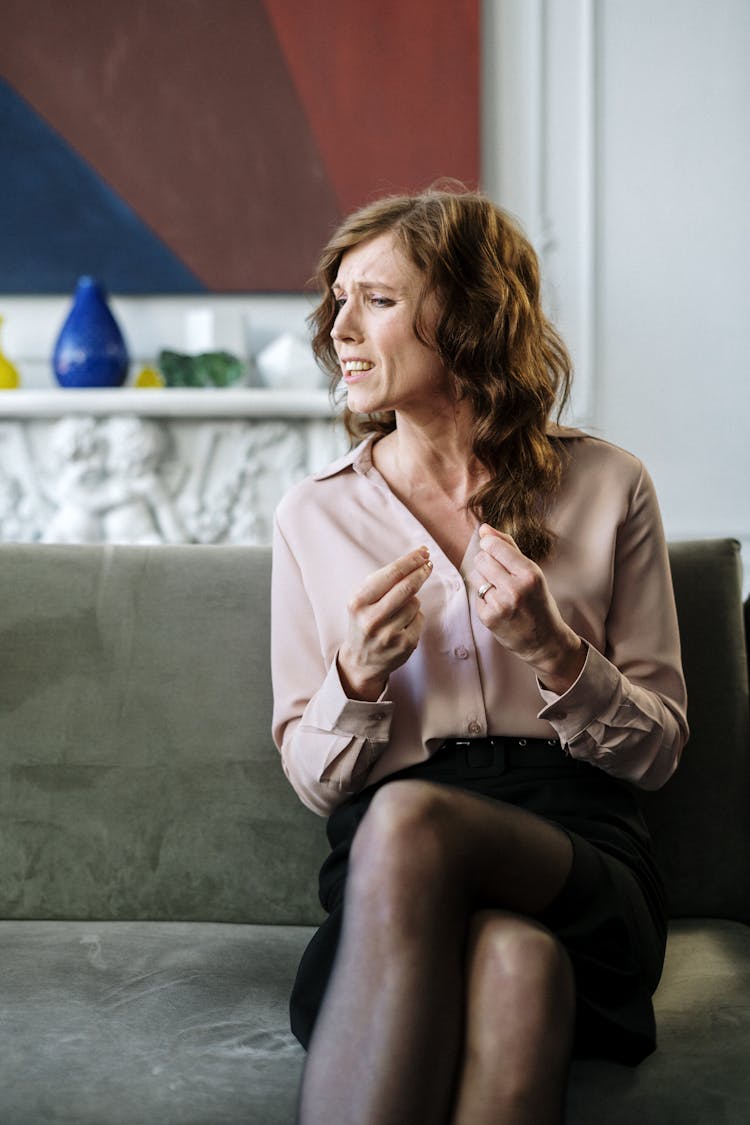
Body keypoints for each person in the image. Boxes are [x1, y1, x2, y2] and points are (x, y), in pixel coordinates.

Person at [271, 188, 688, 1125]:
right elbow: (312, 777)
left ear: (466, 313)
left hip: (574, 846)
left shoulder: (609, 484)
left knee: (424, 824)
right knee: (516, 961)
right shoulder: (315, 513)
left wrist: (553, 649)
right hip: (389, 865)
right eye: (337, 300)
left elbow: (658, 753)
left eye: (374, 300)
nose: (339, 328)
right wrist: (357, 681)